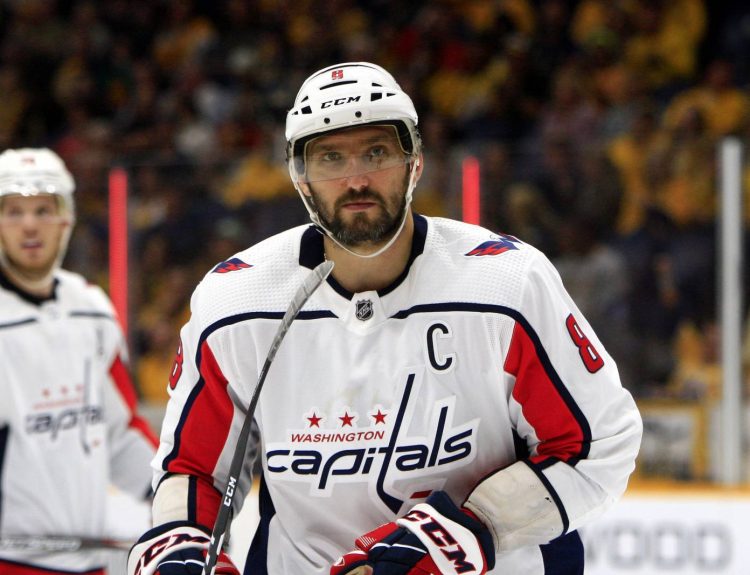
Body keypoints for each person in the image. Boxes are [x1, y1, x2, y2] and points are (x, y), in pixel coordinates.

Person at [127, 62, 642, 575]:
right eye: (331, 157)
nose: (356, 180)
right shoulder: (235, 302)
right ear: (301, 177)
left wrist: (456, 537)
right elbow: (195, 469)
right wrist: (179, 548)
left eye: (376, 152)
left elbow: (596, 444)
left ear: (414, 161)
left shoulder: (506, 284)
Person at [0, 148, 158, 574]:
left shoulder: (90, 308)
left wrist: (176, 502)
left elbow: (120, 431)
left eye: (43, 210)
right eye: (13, 212)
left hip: (90, 562)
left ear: (65, 220)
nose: (30, 225)